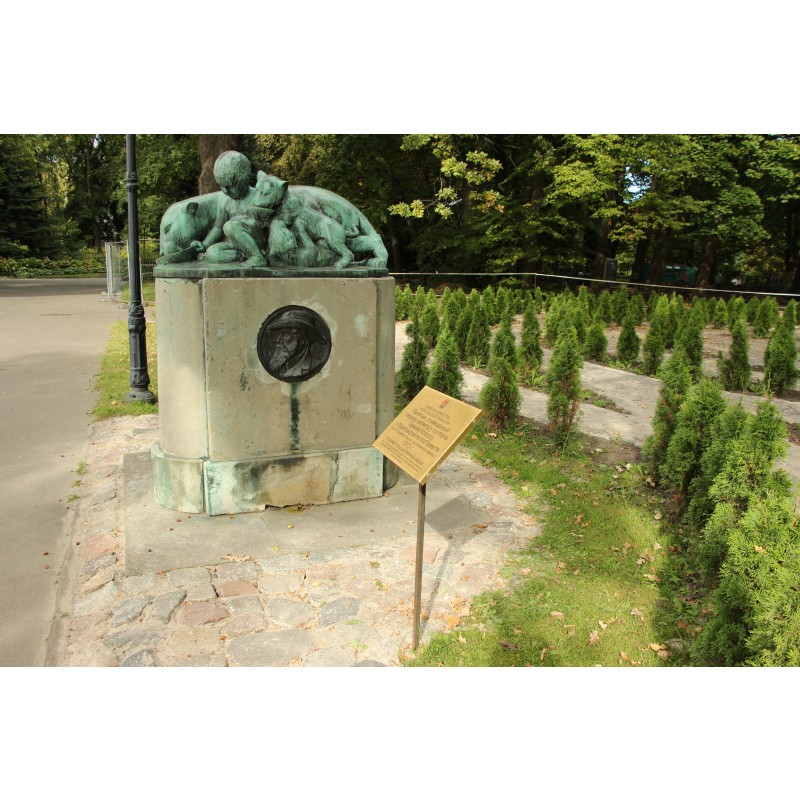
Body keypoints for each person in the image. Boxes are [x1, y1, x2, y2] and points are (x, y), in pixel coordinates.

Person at [191, 151, 270, 267]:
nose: (225, 191)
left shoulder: (257, 197)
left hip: (258, 241)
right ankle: (244, 256)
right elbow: (218, 228)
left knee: (230, 226)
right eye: (221, 186)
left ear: (244, 179)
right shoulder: (225, 202)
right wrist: (204, 244)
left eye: (229, 186)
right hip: (236, 244)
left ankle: (257, 256)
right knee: (212, 253)